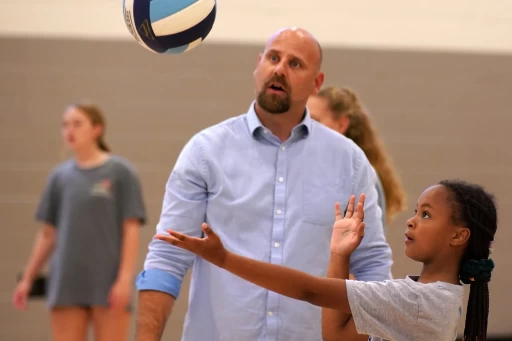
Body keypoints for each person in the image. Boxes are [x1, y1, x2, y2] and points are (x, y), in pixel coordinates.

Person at [135, 27, 392, 341]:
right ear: (258, 66)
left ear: (317, 83)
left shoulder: (349, 161)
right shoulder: (205, 152)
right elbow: (168, 256)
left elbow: (373, 266)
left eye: (295, 64)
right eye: (273, 58)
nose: (280, 69)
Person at [156, 179, 497, 341]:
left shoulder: (421, 302)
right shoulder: (429, 297)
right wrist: (339, 255)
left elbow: (309, 290)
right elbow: (338, 336)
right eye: (415, 212)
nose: (411, 221)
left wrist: (224, 258)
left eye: (426, 214)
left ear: (458, 236)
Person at [12, 103, 147, 341]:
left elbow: (131, 230)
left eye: (77, 123)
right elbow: (47, 234)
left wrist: (125, 279)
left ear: (97, 129)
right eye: (65, 125)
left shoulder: (121, 172)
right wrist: (27, 278)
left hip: (108, 282)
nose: (69, 130)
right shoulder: (59, 177)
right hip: (66, 282)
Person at [307, 86, 407, 227]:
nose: (305, 127)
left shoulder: (360, 177)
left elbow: (370, 245)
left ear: (341, 125)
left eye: (314, 121)